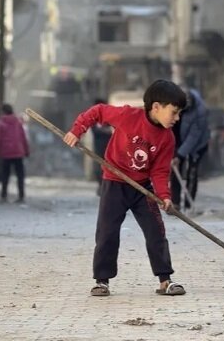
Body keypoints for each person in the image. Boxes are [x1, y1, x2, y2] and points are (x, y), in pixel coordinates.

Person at [63, 80, 187, 297]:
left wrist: (164, 196)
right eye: (174, 112)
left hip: (142, 189)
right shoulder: (129, 116)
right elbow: (98, 112)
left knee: (156, 232)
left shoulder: (167, 138)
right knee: (107, 232)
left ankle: (165, 280)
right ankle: (102, 281)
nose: (177, 118)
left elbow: (159, 171)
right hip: (114, 183)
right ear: (156, 107)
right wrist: (78, 130)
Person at [171, 87, 210, 210]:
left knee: (192, 171)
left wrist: (181, 155)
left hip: (198, 144)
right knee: (175, 168)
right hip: (177, 138)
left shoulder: (199, 111)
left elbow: (194, 136)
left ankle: (189, 203)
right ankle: (175, 202)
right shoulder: (171, 102)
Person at [0, 104, 30, 203]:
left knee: (5, 175)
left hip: (6, 153)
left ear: (3, 111)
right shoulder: (18, 122)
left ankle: (4, 195)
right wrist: (26, 151)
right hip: (18, 152)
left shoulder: (0, 124)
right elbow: (23, 138)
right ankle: (21, 196)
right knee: (20, 175)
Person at [91, 98, 113, 196]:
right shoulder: (94, 119)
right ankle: (101, 186)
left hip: (109, 148)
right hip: (99, 147)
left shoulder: (109, 118)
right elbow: (96, 131)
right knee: (98, 169)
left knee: (109, 168)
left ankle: (107, 187)